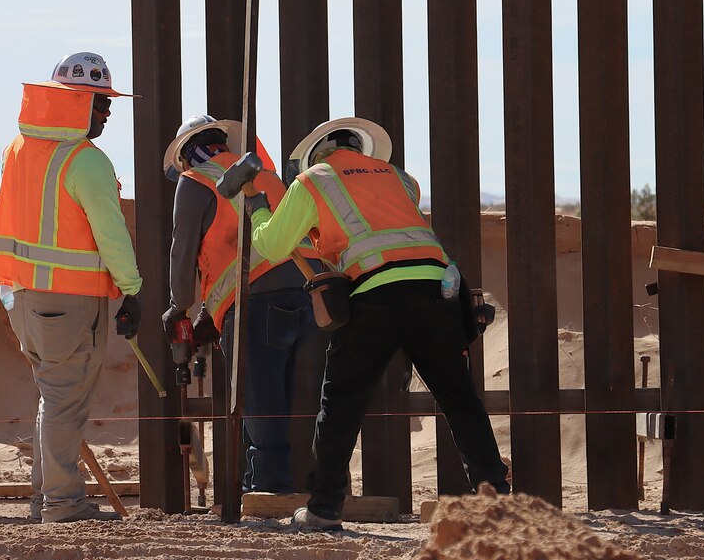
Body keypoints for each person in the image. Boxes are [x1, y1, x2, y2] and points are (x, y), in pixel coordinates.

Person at [246, 117, 510, 531]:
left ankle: (325, 508)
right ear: (359, 148)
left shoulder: (314, 180)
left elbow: (273, 244)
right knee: (460, 399)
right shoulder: (397, 178)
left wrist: (258, 208)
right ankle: (495, 496)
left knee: (341, 404)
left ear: (318, 153)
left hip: (376, 292)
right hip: (437, 289)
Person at [0, 52, 142, 524]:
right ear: (73, 103)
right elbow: (110, 232)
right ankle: (63, 503)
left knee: (52, 395)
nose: (108, 113)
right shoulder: (86, 161)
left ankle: (46, 498)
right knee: (64, 400)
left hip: (22, 296)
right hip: (70, 301)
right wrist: (131, 289)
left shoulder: (17, 149)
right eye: (100, 103)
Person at [161, 116, 320, 493]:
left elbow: (182, 254)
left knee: (259, 400)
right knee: (303, 399)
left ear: (186, 155)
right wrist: (207, 316)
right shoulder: (265, 175)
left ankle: (267, 490)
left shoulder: (195, 180)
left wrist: (178, 309)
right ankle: (314, 486)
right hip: (308, 293)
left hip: (257, 302)